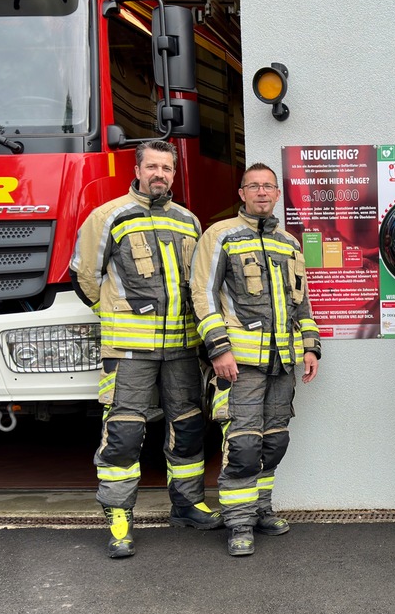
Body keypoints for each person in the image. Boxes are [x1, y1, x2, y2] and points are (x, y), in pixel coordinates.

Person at [70, 140, 222, 559]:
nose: (160, 174)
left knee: (189, 427)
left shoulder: (188, 221)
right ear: (137, 170)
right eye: (152, 166)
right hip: (129, 349)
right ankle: (119, 514)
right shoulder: (108, 216)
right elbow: (84, 276)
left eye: (167, 168)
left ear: (174, 174)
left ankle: (188, 504)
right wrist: (114, 314)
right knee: (124, 431)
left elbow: (199, 283)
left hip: (182, 347)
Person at [190, 163, 322, 557]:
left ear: (277, 194)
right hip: (239, 365)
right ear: (242, 192)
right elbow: (203, 294)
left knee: (274, 442)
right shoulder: (220, 236)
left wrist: (311, 347)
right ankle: (239, 522)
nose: (262, 192)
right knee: (243, 445)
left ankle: (261, 510)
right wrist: (219, 348)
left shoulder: (289, 243)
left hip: (283, 363)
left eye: (269, 186)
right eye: (254, 186)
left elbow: (303, 301)